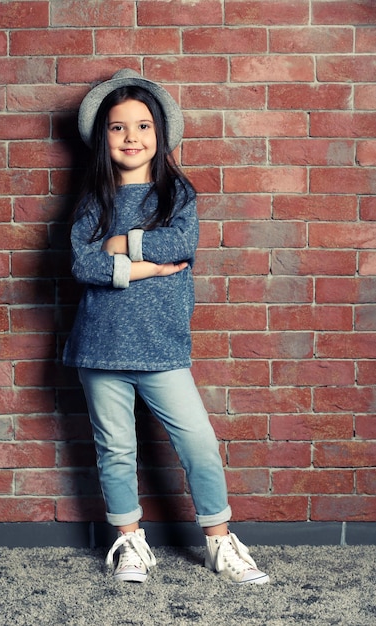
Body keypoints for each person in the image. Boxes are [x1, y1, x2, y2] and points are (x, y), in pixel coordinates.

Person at [63, 68, 269, 585]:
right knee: (116, 450)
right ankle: (130, 543)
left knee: (198, 442)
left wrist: (121, 245)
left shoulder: (177, 194)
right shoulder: (94, 199)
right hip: (101, 348)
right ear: (101, 136)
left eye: (142, 126)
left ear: (160, 134)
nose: (131, 137)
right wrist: (145, 268)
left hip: (162, 349)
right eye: (117, 127)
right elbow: (81, 263)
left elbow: (180, 244)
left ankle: (221, 542)